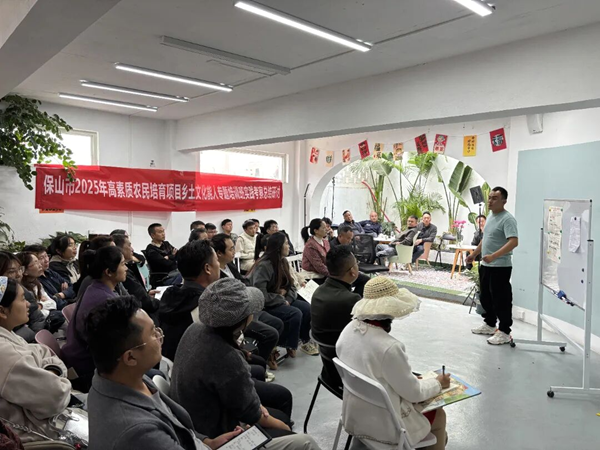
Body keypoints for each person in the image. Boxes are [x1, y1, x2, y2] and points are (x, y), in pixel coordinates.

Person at [86, 295, 252, 450]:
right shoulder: (140, 433)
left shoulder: (118, 378)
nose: (159, 334)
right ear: (130, 357)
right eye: (152, 333)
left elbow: (175, 425)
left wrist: (208, 443)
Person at [170, 278, 297, 439]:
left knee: (263, 375)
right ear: (241, 321)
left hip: (193, 411)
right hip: (215, 431)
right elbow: (250, 413)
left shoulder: (196, 328)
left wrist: (255, 404)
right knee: (283, 411)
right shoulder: (227, 357)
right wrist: (285, 429)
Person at [336, 277, 450, 450]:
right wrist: (438, 383)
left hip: (355, 416)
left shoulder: (348, 330)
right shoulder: (389, 347)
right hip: (387, 427)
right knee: (439, 415)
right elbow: (414, 393)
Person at [0, 277, 71, 444]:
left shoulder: (9, 336)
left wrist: (50, 370)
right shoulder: (5, 353)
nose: (29, 305)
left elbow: (44, 352)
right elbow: (55, 396)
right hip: (39, 437)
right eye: (22, 299)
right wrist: (55, 374)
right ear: (2, 311)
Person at [62, 246, 128, 392]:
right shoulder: (104, 300)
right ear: (108, 272)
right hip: (89, 370)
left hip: (86, 360)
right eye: (123, 264)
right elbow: (110, 346)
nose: (126, 268)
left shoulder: (95, 288)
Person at [211, 233, 283, 364]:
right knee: (271, 334)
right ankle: (257, 363)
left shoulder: (230, 265)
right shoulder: (215, 274)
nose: (234, 251)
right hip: (238, 316)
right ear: (219, 253)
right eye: (231, 249)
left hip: (248, 307)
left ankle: (265, 357)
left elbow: (244, 281)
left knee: (277, 323)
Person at [249, 233, 318, 357]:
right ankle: (288, 344)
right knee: (295, 313)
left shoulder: (283, 262)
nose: (289, 246)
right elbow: (260, 294)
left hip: (282, 299)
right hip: (268, 304)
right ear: (278, 246)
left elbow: (291, 285)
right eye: (286, 243)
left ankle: (304, 340)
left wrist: (288, 299)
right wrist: (280, 299)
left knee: (307, 308)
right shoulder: (264, 266)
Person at [467, 187, 519, 345]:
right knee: (485, 297)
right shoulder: (490, 216)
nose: (490, 201)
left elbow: (513, 242)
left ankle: (504, 331)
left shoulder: (507, 219)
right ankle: (490, 324)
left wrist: (494, 256)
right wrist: (474, 254)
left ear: (504, 201)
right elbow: (486, 239)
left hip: (500, 266)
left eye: (495, 198)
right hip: (486, 265)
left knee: (501, 299)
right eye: (489, 197)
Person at [158, 240, 219, 361]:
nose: (219, 264)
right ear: (207, 268)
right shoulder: (206, 306)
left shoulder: (169, 295)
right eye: (217, 260)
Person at [311, 245, 361, 390]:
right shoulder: (351, 299)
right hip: (348, 371)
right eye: (356, 263)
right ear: (352, 271)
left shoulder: (319, 291)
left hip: (328, 367)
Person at [0, 252, 46, 341]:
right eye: (11, 271)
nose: (19, 274)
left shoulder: (22, 291)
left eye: (20, 269)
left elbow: (38, 319)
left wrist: (31, 338)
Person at [113, 233, 159, 320]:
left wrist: (146, 294)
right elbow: (144, 302)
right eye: (129, 245)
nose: (132, 249)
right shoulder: (122, 274)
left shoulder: (127, 269)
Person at [300, 219, 330, 283]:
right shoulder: (310, 245)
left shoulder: (326, 242)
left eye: (326, 227)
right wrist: (335, 275)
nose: (327, 229)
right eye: (324, 228)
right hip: (312, 277)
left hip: (324, 274)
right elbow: (319, 267)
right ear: (316, 231)